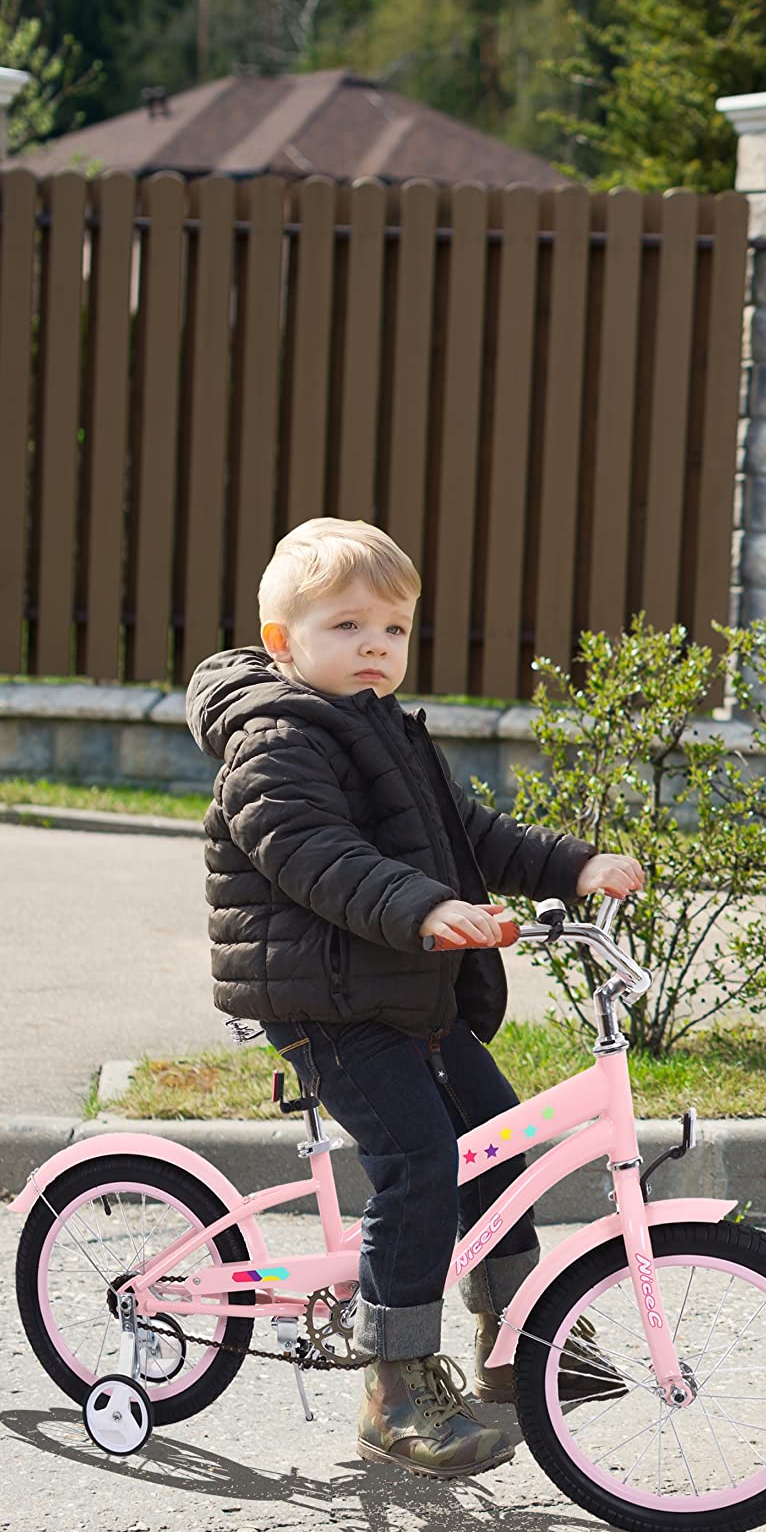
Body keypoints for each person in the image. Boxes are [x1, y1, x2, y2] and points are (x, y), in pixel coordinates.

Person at [186, 517, 645, 1479]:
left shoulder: (388, 730)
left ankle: (520, 1346)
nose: (376, 648)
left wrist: (575, 863)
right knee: (417, 1159)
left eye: (393, 630)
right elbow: (316, 856)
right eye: (348, 626)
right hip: (331, 1002)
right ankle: (394, 1384)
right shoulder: (273, 742)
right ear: (284, 643)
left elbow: (468, 832)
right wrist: (427, 907)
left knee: (502, 1140)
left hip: (405, 990)